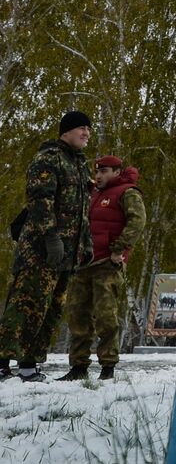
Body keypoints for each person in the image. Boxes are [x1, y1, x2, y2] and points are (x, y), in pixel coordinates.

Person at [0, 112, 95, 383]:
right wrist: (50, 237)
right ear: (65, 131)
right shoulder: (49, 158)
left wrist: (85, 244)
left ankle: (30, 364)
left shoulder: (79, 164)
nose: (86, 133)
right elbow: (40, 200)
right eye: (81, 128)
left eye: (89, 129)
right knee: (26, 306)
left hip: (66, 253)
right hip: (41, 251)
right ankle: (4, 363)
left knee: (49, 310)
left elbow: (82, 212)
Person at [58, 155, 147, 382]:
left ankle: (108, 367)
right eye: (97, 171)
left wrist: (120, 249)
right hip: (83, 263)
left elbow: (137, 221)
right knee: (78, 316)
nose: (98, 176)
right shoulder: (94, 194)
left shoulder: (128, 193)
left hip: (107, 264)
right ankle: (78, 366)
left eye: (104, 171)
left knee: (106, 317)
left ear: (117, 172)